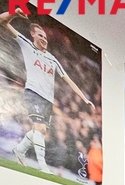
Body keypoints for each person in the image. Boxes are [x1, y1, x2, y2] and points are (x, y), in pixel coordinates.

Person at [0, 11, 95, 175]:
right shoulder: (27, 45)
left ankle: (20, 149)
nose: (44, 39)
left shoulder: (52, 59)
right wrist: (14, 13)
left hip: (47, 100)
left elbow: (68, 80)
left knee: (41, 131)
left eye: (45, 37)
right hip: (33, 94)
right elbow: (2, 21)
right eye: (40, 36)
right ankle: (43, 165)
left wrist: (84, 98)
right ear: (32, 35)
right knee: (39, 128)